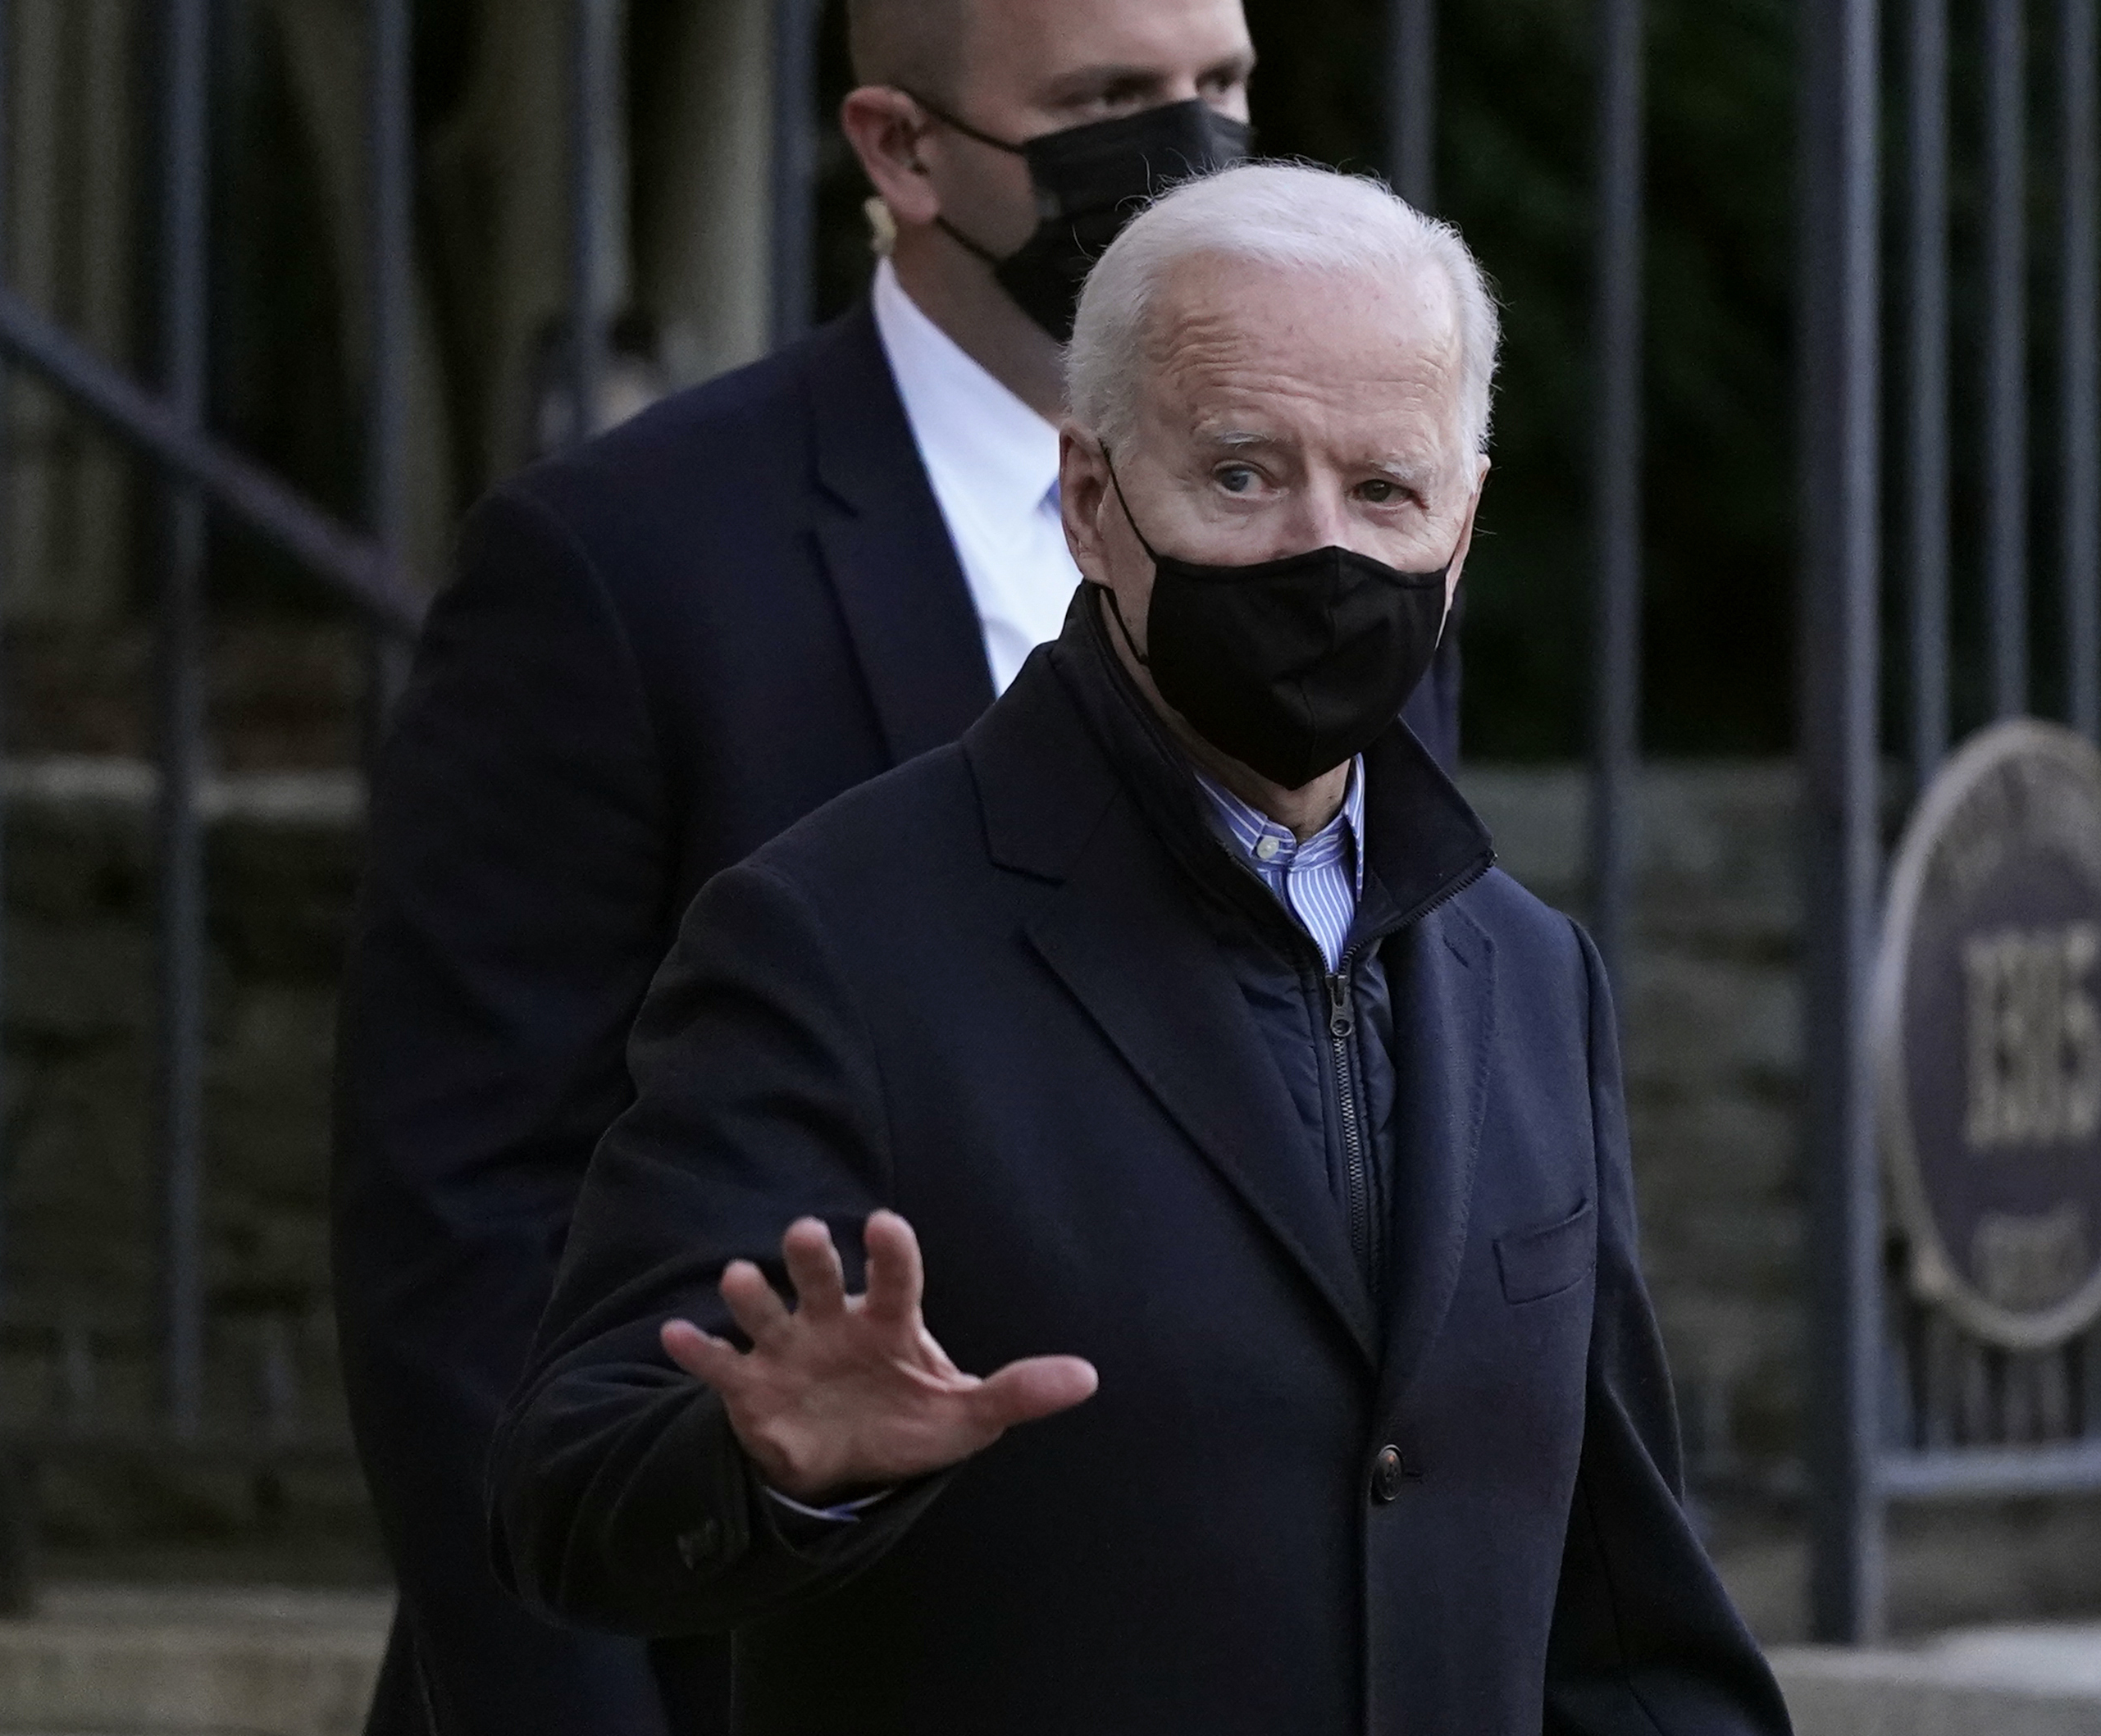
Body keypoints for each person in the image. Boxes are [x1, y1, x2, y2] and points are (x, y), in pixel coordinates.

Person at [487, 164, 1793, 1736]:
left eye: (1386, 490)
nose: (1324, 549)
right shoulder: (834, 935)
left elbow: (1620, 1604)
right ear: (1094, 502)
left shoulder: (1526, 973)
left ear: (1465, 520)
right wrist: (770, 1465)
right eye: (1242, 475)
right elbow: (570, 1492)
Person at [330, 3, 1469, 1734]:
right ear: (898, 150)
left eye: (1221, 86)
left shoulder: (1346, 561)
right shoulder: (619, 571)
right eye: (1105, 102)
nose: (1188, 144)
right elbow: (460, 1240)